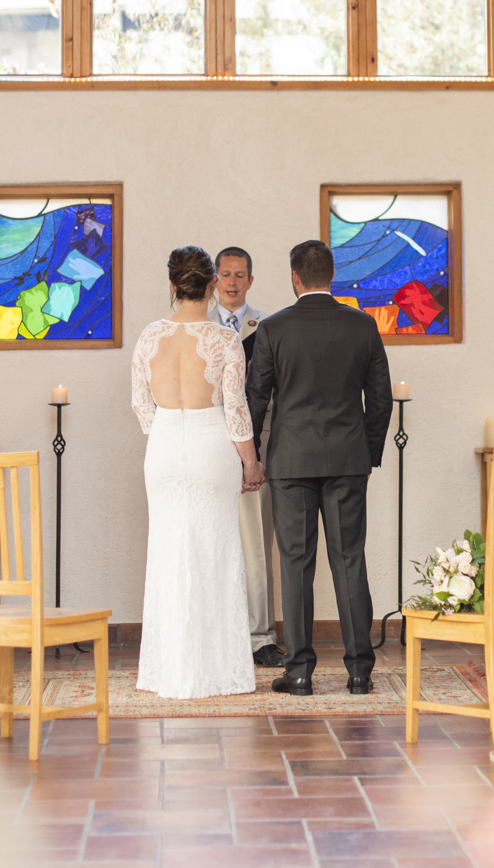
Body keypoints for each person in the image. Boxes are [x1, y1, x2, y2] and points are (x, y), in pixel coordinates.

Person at [246, 240, 392, 696]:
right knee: (349, 560)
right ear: (332, 274)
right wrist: (366, 454)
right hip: (347, 459)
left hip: (290, 460)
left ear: (294, 277)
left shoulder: (273, 329)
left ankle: (300, 671)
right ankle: (358, 671)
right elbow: (382, 400)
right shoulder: (363, 326)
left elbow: (256, 399)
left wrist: (250, 456)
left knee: (296, 563)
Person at [130, 246, 263, 699]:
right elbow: (236, 409)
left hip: (163, 449)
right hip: (212, 448)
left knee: (168, 553)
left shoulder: (149, 337)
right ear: (210, 285)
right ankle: (218, 673)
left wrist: (167, 433)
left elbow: (140, 404)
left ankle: (168, 672)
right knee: (215, 553)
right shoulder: (225, 340)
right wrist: (250, 461)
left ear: (172, 286)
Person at [207, 246, 282, 669]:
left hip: (258, 439)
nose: (232, 282)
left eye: (240, 275)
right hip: (210, 443)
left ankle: (260, 636)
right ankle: (215, 630)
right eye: (225, 274)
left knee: (256, 541)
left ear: (251, 280)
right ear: (214, 279)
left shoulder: (266, 327)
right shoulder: (199, 327)